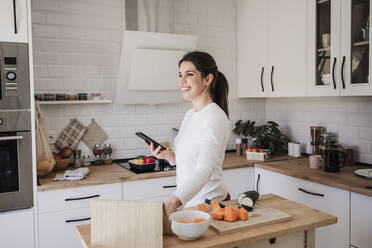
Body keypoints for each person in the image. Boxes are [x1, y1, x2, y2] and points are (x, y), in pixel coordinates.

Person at [147, 51, 230, 216]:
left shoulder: (215, 117)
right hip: (190, 204)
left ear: (208, 79)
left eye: (189, 74)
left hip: (209, 206)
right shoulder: (190, 115)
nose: (182, 81)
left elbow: (204, 170)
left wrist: (173, 200)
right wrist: (169, 156)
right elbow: (188, 160)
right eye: (180, 75)